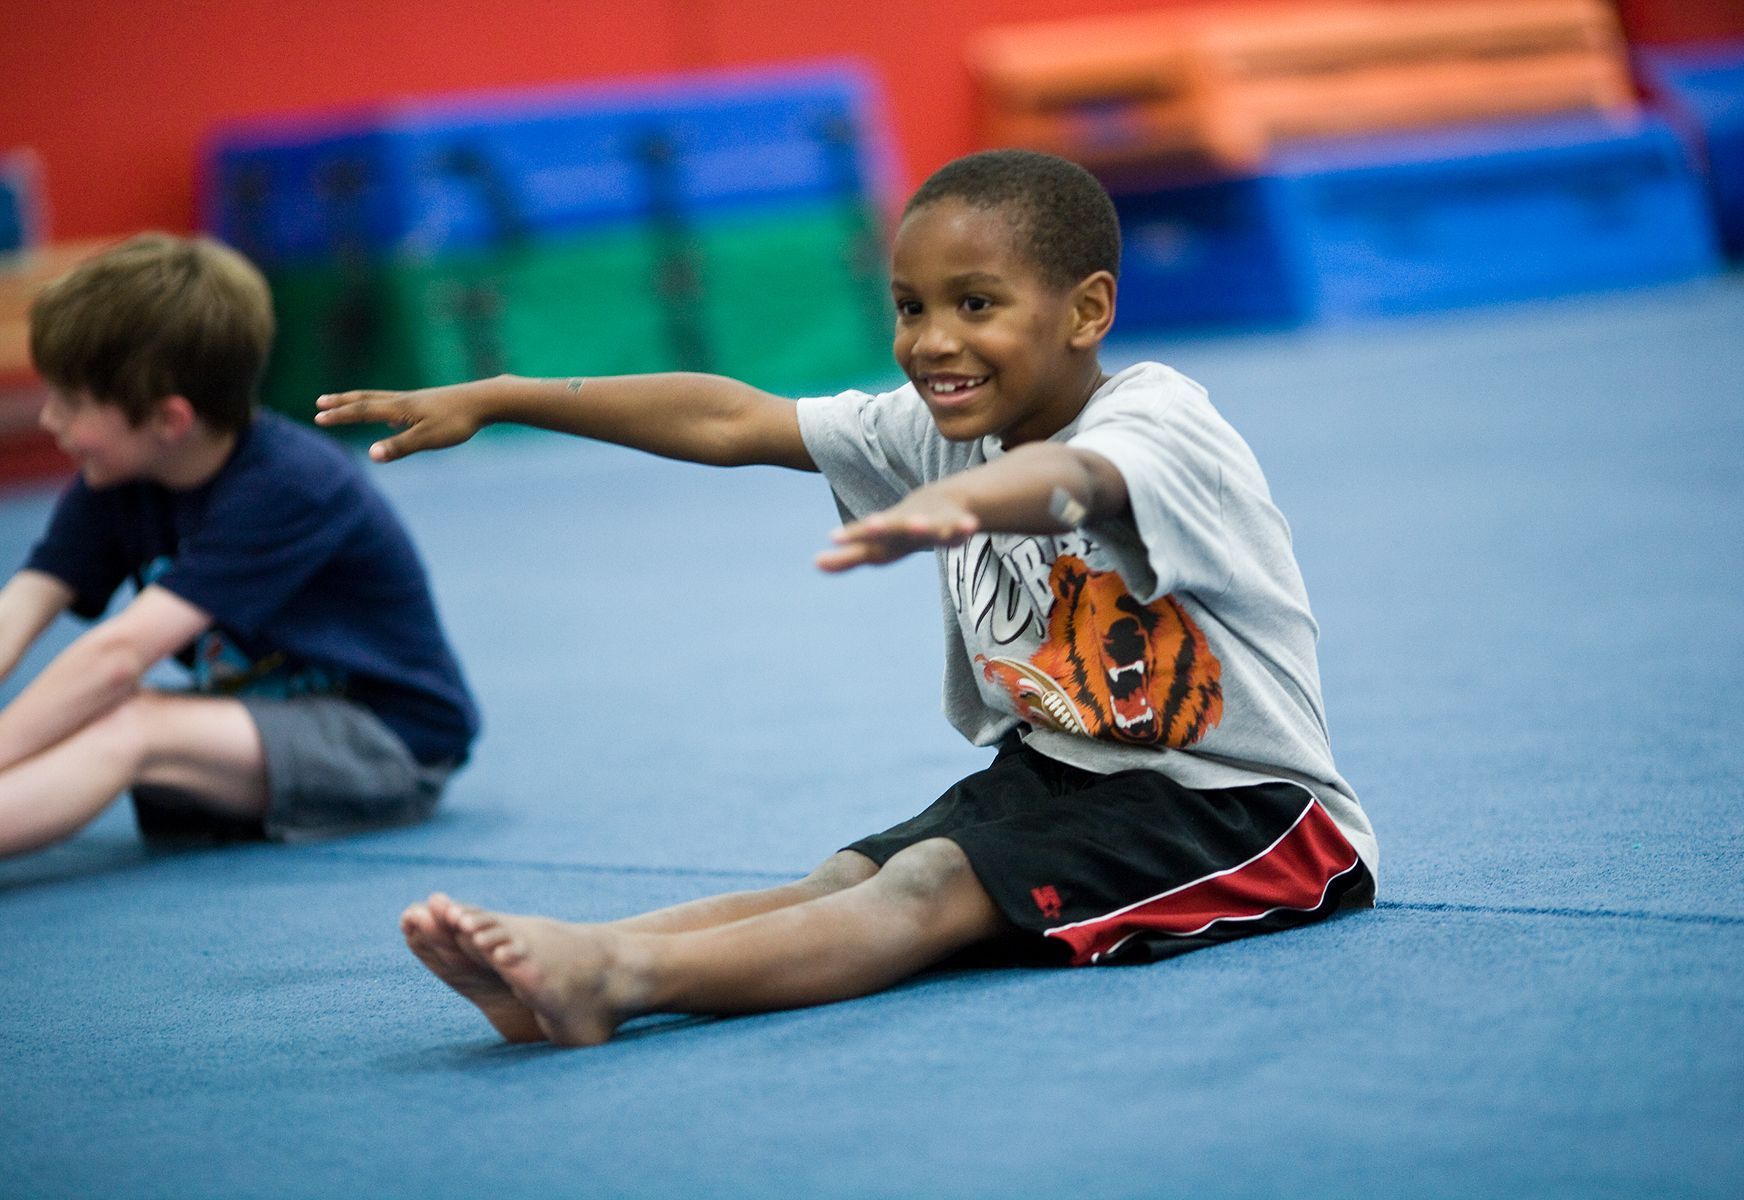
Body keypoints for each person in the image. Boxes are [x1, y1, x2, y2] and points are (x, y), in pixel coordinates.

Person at [317, 149, 1377, 1047]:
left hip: (1248, 814)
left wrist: (962, 502)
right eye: (910, 308)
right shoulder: (938, 428)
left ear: (1087, 311)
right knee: (845, 875)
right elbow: (732, 421)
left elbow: (1080, 483)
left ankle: (617, 981)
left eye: (977, 305)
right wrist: (502, 395)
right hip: (1066, 771)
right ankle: (595, 953)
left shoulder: (1162, 419)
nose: (931, 342)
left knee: (930, 891)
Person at [0, 233, 478, 858]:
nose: (49, 420)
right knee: (84, 712)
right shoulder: (120, 479)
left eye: (72, 403)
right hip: (259, 723)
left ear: (170, 420)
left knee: (127, 722)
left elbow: (116, 657)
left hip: (388, 743)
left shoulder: (291, 485)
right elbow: (21, 607)